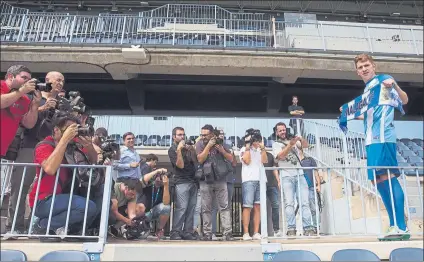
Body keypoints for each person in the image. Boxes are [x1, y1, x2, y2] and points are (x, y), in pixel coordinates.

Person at [340, 53, 409, 238]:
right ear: (357, 72)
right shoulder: (367, 91)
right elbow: (370, 115)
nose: (364, 69)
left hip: (383, 137)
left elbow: (404, 100)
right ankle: (394, 224)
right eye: (360, 67)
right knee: (376, 181)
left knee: (388, 177)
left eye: (367, 65)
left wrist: (394, 84)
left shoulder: (383, 80)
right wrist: (348, 113)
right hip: (371, 139)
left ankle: (401, 226)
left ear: (374, 66)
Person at [6, 71, 64, 235]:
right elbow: (22, 119)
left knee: (45, 190)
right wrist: (43, 107)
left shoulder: (60, 102)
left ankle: (35, 226)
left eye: (62, 81)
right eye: (57, 79)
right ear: (47, 80)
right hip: (30, 146)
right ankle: (15, 227)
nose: (60, 83)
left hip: (50, 149)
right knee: (20, 186)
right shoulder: (31, 95)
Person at [26, 113, 97, 238]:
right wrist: (64, 140)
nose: (72, 133)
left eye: (73, 129)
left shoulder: (72, 146)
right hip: (43, 200)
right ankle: (44, 225)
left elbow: (93, 161)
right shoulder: (45, 145)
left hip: (60, 198)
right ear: (56, 130)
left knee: (94, 204)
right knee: (87, 207)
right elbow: (50, 168)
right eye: (68, 129)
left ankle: (50, 225)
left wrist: (89, 146)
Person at [272, 122, 315, 236]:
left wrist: (300, 139)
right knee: (289, 203)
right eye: (280, 130)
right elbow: (280, 156)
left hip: (300, 174)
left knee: (305, 202)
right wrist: (290, 145)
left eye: (284, 129)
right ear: (276, 132)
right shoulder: (275, 144)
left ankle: (308, 228)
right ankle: (291, 228)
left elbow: (305, 146)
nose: (282, 132)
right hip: (286, 176)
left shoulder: (293, 141)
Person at [196, 125, 234, 241]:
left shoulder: (221, 142)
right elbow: (200, 159)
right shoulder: (200, 144)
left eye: (205, 135)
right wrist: (208, 145)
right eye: (202, 134)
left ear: (212, 134)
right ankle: (207, 233)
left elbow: (231, 159)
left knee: (224, 207)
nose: (203, 137)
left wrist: (221, 150)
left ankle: (227, 233)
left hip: (220, 179)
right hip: (206, 179)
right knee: (206, 208)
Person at [1, 65, 41, 158]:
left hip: (4, 149)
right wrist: (21, 91)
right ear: (11, 77)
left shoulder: (24, 99)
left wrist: (35, 104)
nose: (27, 81)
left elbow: (28, 124)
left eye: (29, 79)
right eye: (24, 77)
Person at [168, 127, 198, 240]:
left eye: (183, 135)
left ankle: (187, 232)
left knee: (191, 208)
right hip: (181, 182)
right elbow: (179, 165)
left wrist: (192, 150)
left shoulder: (187, 148)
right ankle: (175, 232)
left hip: (193, 181)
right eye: (179, 135)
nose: (182, 137)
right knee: (182, 208)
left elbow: (196, 162)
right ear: (174, 137)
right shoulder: (172, 149)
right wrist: (179, 150)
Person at [239, 130, 268, 241]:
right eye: (255, 140)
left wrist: (262, 148)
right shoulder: (244, 149)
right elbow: (246, 161)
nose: (257, 142)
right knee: (247, 206)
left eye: (258, 140)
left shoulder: (261, 150)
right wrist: (247, 147)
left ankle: (256, 232)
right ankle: (246, 232)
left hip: (261, 180)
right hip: (249, 180)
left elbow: (264, 161)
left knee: (258, 207)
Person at [296, 143, 322, 233]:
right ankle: (306, 227)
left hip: (311, 186)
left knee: (314, 208)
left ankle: (316, 226)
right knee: (303, 207)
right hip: (299, 187)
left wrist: (318, 185)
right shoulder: (294, 162)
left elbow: (315, 172)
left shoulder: (310, 160)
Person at [264, 151, 283, 237]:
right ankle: (258, 231)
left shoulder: (270, 155)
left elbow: (274, 167)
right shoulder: (255, 154)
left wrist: (278, 181)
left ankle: (276, 229)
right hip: (260, 184)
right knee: (258, 207)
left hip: (271, 184)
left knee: (275, 205)